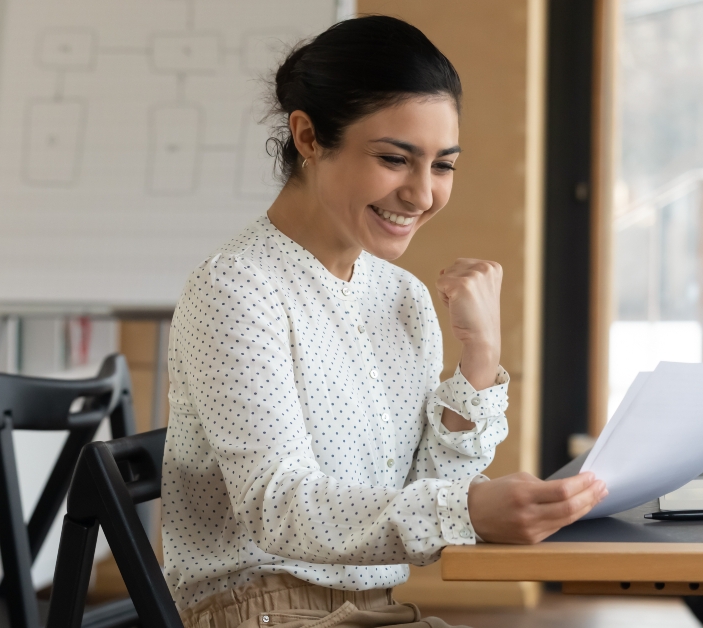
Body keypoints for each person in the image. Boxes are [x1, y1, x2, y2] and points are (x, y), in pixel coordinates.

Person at [161, 16, 607, 628]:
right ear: (309, 137)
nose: (422, 194)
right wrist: (470, 511)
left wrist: (479, 355)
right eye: (396, 159)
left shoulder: (402, 296)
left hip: (379, 613)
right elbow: (280, 510)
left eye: (443, 165)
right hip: (262, 614)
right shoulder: (237, 289)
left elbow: (424, 491)